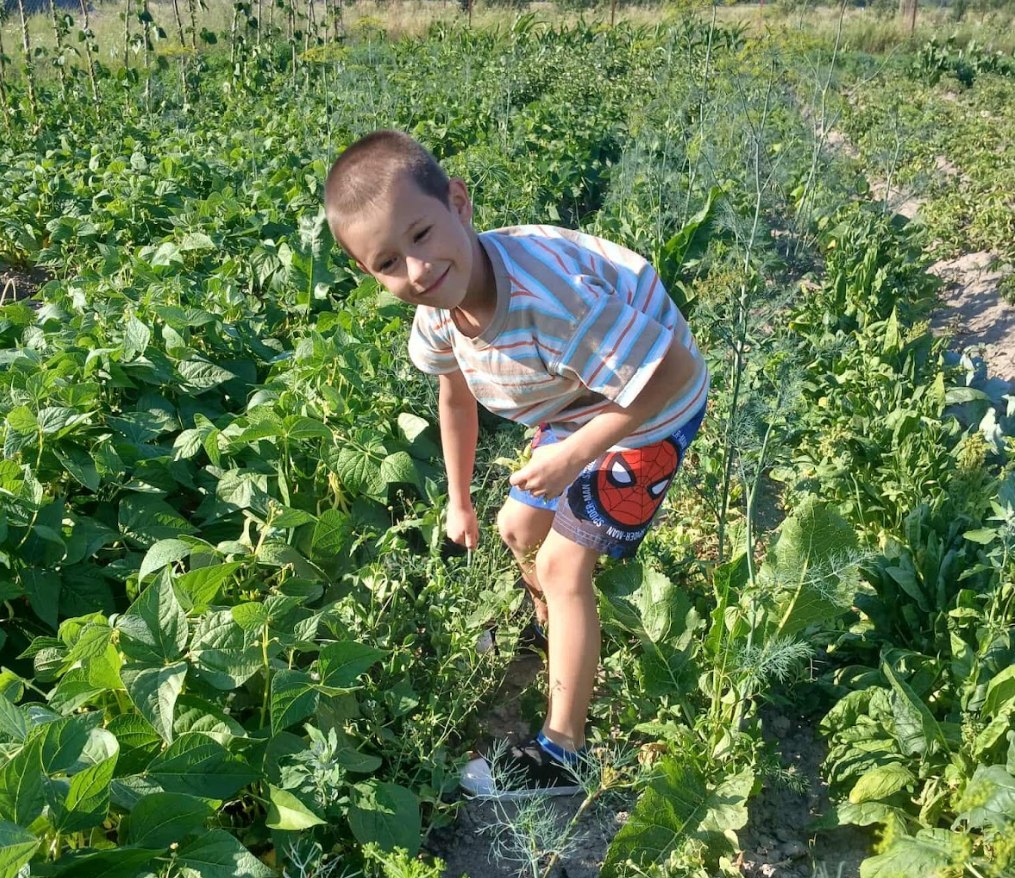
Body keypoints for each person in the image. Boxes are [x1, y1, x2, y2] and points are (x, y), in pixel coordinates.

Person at [324, 130, 709, 799]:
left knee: (562, 565)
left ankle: (564, 752)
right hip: (577, 400)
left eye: (420, 234)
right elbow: (454, 395)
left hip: (650, 401)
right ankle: (559, 625)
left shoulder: (548, 299)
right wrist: (458, 501)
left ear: (459, 204)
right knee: (517, 530)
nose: (415, 269)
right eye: (388, 262)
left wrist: (577, 453)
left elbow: (671, 368)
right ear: (370, 274)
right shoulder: (439, 309)